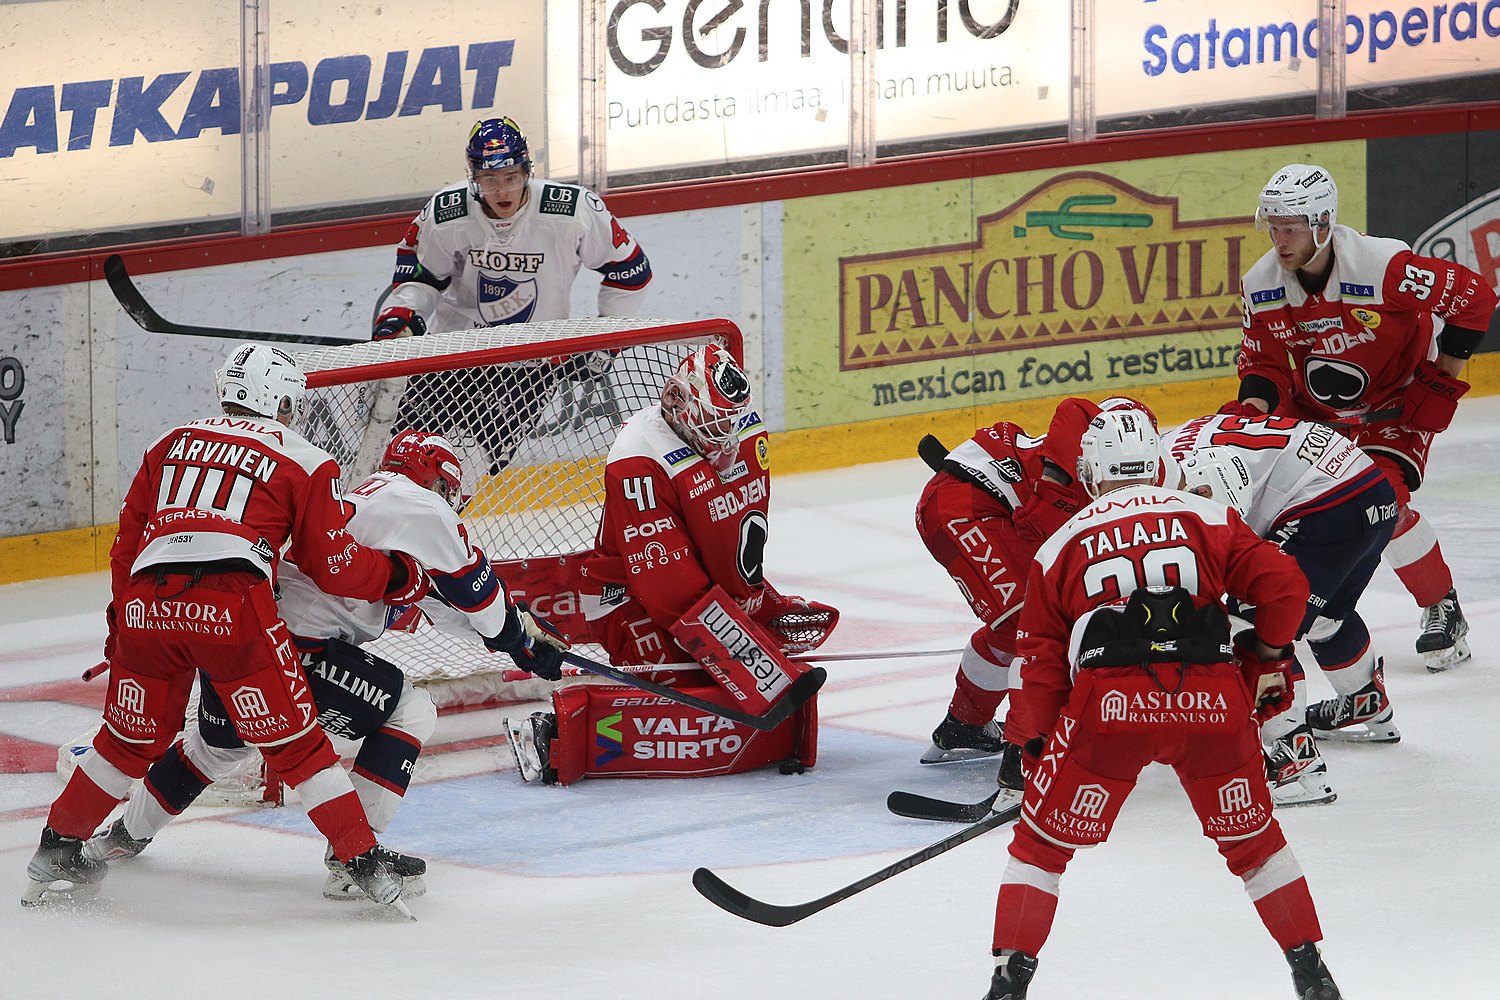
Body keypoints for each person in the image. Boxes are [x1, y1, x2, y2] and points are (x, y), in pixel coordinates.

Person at [23, 345, 430, 913]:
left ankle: (56, 846)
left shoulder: (164, 442)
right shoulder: (306, 459)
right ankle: (362, 860)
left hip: (147, 603)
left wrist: (122, 626)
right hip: (232, 607)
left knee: (127, 739)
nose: (293, 413)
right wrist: (397, 574)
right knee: (295, 743)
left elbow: (126, 547)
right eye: (290, 402)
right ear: (278, 398)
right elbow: (331, 565)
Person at [79, 430, 567, 899]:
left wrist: (517, 640)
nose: (450, 499)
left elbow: (444, 606)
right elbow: (474, 593)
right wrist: (517, 637)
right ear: (434, 479)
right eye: (447, 488)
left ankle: (121, 835)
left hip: (244, 636)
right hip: (296, 648)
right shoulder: (421, 507)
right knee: (411, 710)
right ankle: (352, 860)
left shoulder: (376, 504)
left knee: (217, 747)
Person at [987, 410, 1342, 1000]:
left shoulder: (1058, 546)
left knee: (1039, 849)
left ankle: (1008, 981)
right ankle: (1311, 969)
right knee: (1256, 845)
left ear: (1089, 474)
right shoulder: (1207, 516)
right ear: (1157, 463)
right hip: (1212, 704)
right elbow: (1286, 588)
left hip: (1107, 713)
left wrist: (1033, 742)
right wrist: (1268, 654)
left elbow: (1039, 665)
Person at [503, 343, 838, 784]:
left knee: (745, 694)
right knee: (693, 699)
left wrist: (760, 605)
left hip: (695, 592)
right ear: (679, 404)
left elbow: (732, 535)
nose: (727, 442)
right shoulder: (638, 459)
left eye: (731, 425)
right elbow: (668, 589)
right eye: (715, 425)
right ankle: (553, 737)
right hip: (629, 601)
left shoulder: (736, 425)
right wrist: (750, 658)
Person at [1234, 163, 1497, 672]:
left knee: (1380, 506)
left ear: (1323, 223)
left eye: (1290, 227)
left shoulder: (1384, 268)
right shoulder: (1261, 283)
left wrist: (1442, 377)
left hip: (1392, 406)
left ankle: (1443, 607)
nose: (1279, 239)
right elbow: (1263, 364)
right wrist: (1250, 423)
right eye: (1273, 226)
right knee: (1270, 501)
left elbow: (1473, 300)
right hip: (1313, 413)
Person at [372, 116, 653, 471]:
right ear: (474, 178)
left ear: (527, 171)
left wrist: (605, 341)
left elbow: (630, 272)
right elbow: (422, 277)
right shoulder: (448, 211)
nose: (502, 190)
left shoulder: (571, 209)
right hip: (452, 357)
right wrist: (402, 316)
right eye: (489, 179)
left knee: (465, 471)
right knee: (400, 460)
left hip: (529, 369)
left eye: (511, 177)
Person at [1162, 412, 1400, 807]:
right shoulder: (1183, 440)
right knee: (1325, 616)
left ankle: (1295, 763)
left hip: (1324, 504)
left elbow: (1222, 543)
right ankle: (1365, 700)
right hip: (1371, 489)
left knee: (1251, 622)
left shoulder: (1178, 481)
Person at [913, 396, 1158, 766]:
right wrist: (1053, 489)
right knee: (1031, 626)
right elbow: (1074, 409)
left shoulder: (1149, 469)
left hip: (991, 509)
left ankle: (965, 725)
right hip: (961, 506)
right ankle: (1024, 755)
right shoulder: (1087, 435)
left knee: (1013, 628)